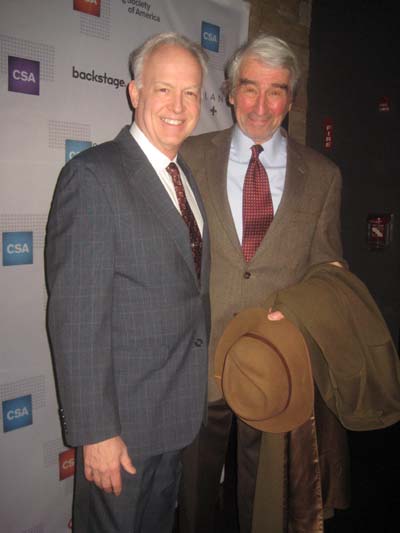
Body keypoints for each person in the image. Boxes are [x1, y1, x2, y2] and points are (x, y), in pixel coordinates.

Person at [178, 34, 348, 533]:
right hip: (197, 360)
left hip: (274, 362)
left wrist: (298, 314)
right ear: (230, 92)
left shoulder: (323, 175)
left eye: (275, 91)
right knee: (193, 500)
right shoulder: (187, 156)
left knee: (264, 505)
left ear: (290, 99)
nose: (260, 104)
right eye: (249, 88)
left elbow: (328, 268)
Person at [45, 32, 210, 533]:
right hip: (119, 435)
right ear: (135, 93)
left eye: (190, 93)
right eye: (164, 90)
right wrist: (96, 433)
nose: (178, 106)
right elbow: (76, 318)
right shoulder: (93, 177)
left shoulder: (186, 178)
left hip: (173, 420)